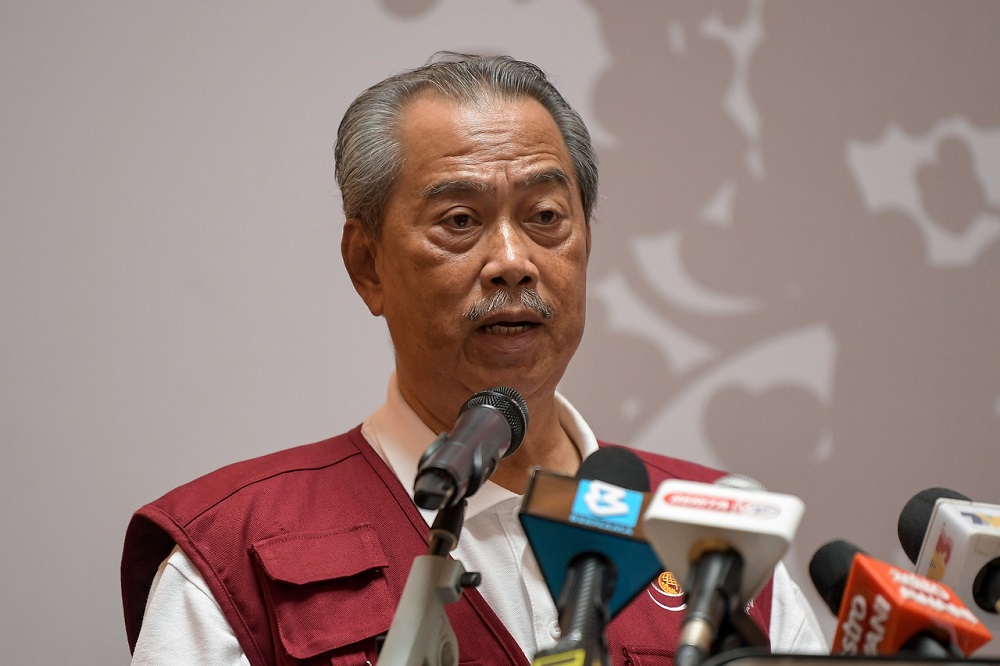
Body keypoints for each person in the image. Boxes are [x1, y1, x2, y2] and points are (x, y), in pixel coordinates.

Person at [121, 53, 827, 665]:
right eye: (460, 221)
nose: (513, 262)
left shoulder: (717, 539)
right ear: (367, 266)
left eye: (546, 217)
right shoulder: (236, 547)